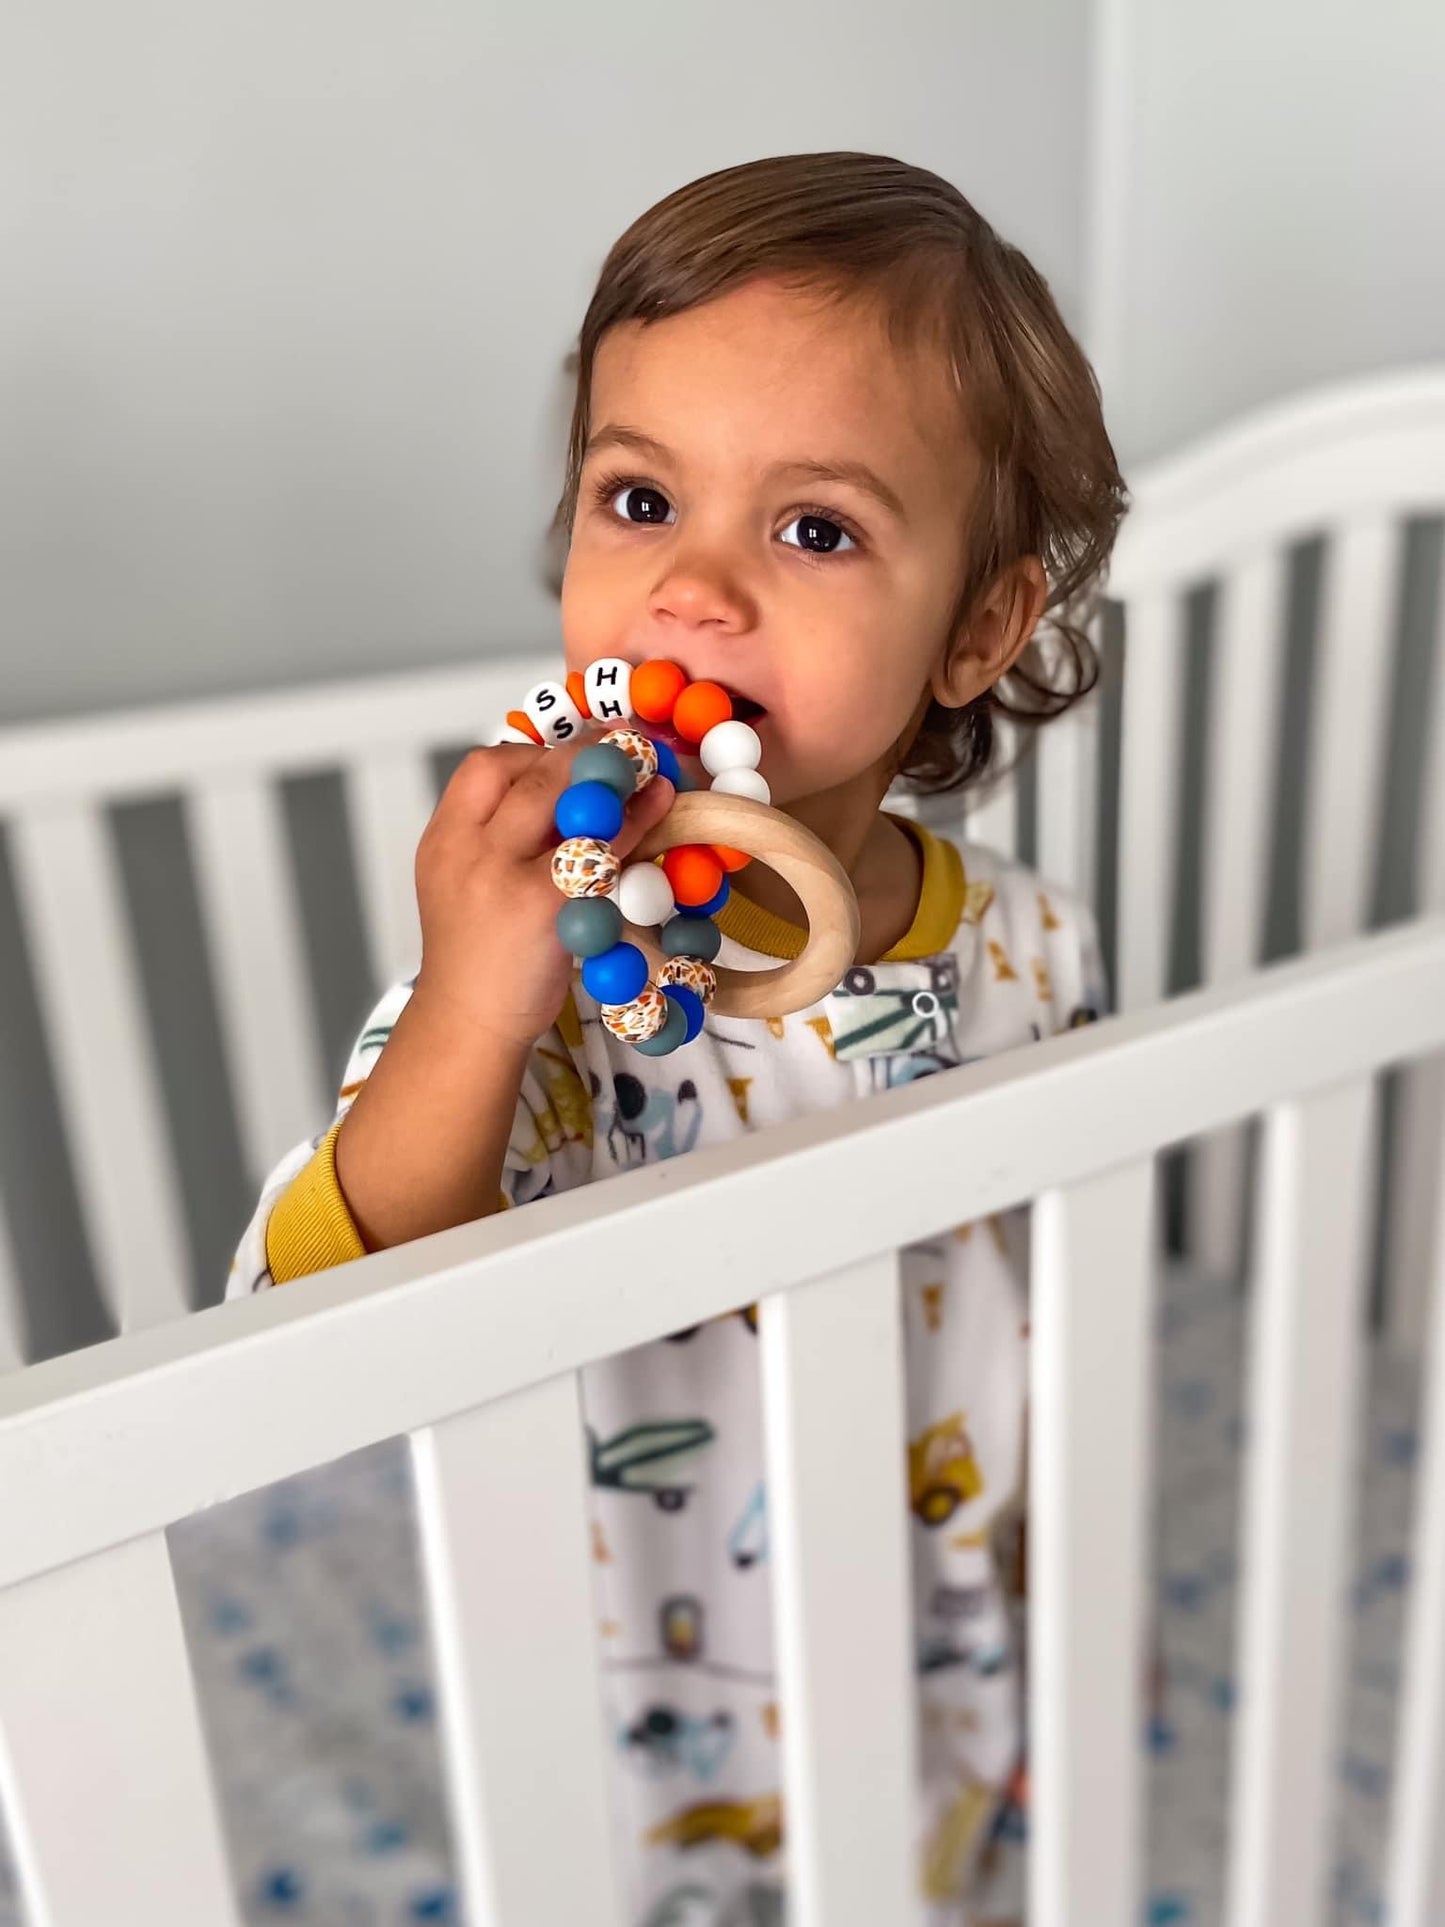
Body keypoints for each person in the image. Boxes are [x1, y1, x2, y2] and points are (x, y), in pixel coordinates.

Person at [227, 151, 1123, 1926]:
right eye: (638, 500)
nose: (693, 594)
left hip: (927, 1629)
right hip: (625, 1675)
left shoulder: (1030, 943)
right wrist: (478, 1000)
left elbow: (1048, 1298)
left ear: (978, 627)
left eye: (811, 530)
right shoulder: (545, 970)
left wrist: (1057, 1595)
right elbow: (318, 1322)